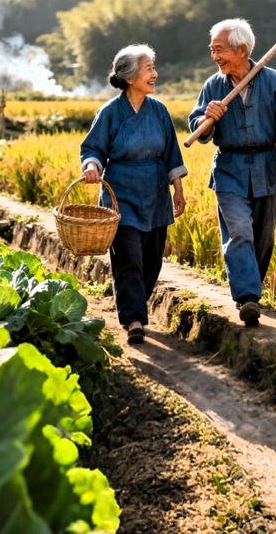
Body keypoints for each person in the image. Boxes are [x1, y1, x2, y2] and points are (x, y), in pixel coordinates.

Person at [188, 18, 276, 327]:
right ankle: (248, 296)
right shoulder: (213, 86)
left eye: (219, 50)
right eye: (212, 50)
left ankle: (250, 290)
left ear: (241, 50)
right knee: (239, 231)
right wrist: (207, 117)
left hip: (267, 168)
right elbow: (198, 128)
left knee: (263, 238)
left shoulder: (273, 81)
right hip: (230, 169)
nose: (214, 56)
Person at [80, 44, 187, 344]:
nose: (155, 74)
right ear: (129, 77)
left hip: (155, 195)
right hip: (121, 195)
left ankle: (135, 306)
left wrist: (178, 190)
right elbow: (93, 148)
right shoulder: (110, 113)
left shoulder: (159, 111)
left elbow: (171, 152)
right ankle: (134, 319)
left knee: (152, 260)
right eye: (149, 69)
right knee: (128, 258)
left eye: (154, 68)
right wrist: (92, 167)